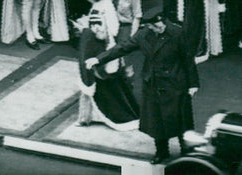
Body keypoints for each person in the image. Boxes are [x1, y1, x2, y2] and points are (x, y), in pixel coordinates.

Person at [85, 12, 199, 165]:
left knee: (180, 120)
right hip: (153, 83)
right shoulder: (143, 35)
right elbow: (122, 48)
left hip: (175, 83)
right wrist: (99, 58)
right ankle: (162, 152)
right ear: (148, 26)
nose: (159, 28)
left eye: (161, 24)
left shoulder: (177, 33)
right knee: (157, 122)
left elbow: (188, 59)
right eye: (155, 26)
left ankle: (186, 151)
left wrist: (193, 84)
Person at [77, 10, 140, 130]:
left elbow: (84, 58)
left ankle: (85, 118)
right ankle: (85, 118)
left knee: (98, 94)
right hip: (105, 65)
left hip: (100, 68)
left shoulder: (88, 34)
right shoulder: (104, 20)